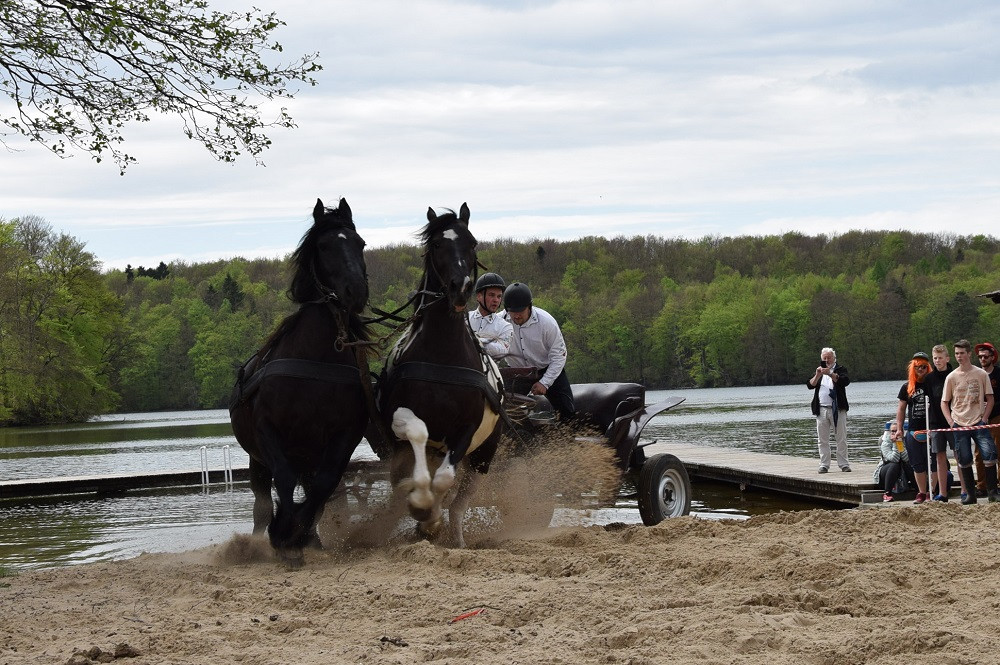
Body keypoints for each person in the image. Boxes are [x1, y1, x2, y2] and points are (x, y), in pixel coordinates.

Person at [501, 282, 575, 420]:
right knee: (503, 410)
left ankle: (566, 439)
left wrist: (545, 382)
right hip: (516, 372)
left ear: (529, 307)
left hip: (547, 369)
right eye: (512, 312)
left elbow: (558, 356)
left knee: (567, 410)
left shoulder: (547, 323)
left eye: (520, 311)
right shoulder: (498, 322)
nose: (516, 316)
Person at [942, 339, 997, 504]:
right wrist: (951, 422)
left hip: (979, 421)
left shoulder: (981, 374)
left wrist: (985, 418)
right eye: (957, 354)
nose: (959, 357)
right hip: (959, 423)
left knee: (989, 455)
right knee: (964, 459)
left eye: (962, 353)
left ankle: (992, 493)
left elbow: (990, 398)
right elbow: (944, 402)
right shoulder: (951, 377)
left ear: (969, 354)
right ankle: (971, 495)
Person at [892, 352, 936, 503]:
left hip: (932, 428)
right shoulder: (907, 387)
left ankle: (932, 491)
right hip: (913, 429)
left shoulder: (932, 384)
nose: (921, 369)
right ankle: (921, 492)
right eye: (918, 367)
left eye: (924, 366)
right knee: (917, 463)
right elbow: (901, 409)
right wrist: (899, 428)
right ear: (913, 368)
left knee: (934, 461)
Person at [807, 347, 850, 473]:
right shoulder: (819, 372)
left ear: (834, 358)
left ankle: (844, 464)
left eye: (829, 357)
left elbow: (844, 381)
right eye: (824, 358)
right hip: (821, 409)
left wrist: (830, 374)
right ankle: (824, 464)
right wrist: (818, 374)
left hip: (838, 409)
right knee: (822, 439)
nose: (827, 360)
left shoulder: (840, 369)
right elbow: (810, 385)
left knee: (841, 438)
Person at [926, 344, 954, 500]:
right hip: (936, 422)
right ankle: (942, 493)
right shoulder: (929, 378)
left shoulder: (954, 374)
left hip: (954, 421)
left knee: (959, 454)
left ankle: (964, 490)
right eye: (935, 358)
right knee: (939, 457)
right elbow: (928, 401)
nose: (938, 361)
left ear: (947, 358)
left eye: (940, 358)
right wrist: (929, 426)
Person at [972, 342, 1000, 496]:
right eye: (980, 356)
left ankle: (998, 484)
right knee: (979, 453)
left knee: (998, 450)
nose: (982, 359)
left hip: (996, 416)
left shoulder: (998, 374)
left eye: (985, 356)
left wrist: (990, 404)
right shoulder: (975, 374)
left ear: (992, 357)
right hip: (978, 418)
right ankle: (981, 486)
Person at [467, 272, 512, 361]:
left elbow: (502, 351)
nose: (496, 300)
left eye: (499, 296)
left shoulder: (505, 326)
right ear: (479, 296)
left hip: (488, 372)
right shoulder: (464, 319)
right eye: (491, 295)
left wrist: (478, 341)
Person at [874, 421, 915, 502]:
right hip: (886, 471)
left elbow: (906, 458)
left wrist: (900, 442)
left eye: (897, 431)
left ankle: (919, 490)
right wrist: (896, 444)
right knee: (894, 465)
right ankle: (887, 493)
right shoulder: (885, 443)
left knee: (909, 465)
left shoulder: (907, 441)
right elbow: (894, 459)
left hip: (903, 469)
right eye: (893, 431)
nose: (895, 433)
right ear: (889, 432)